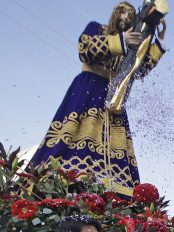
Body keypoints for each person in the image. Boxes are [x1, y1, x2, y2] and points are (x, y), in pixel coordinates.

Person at [29, 2, 163, 198]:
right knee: (75, 131)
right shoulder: (97, 28)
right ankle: (62, 178)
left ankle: (115, 189)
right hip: (88, 88)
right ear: (115, 13)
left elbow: (139, 70)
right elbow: (86, 49)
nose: (125, 17)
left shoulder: (132, 42)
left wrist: (157, 45)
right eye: (122, 12)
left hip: (114, 98)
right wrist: (121, 41)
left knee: (115, 143)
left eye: (130, 15)